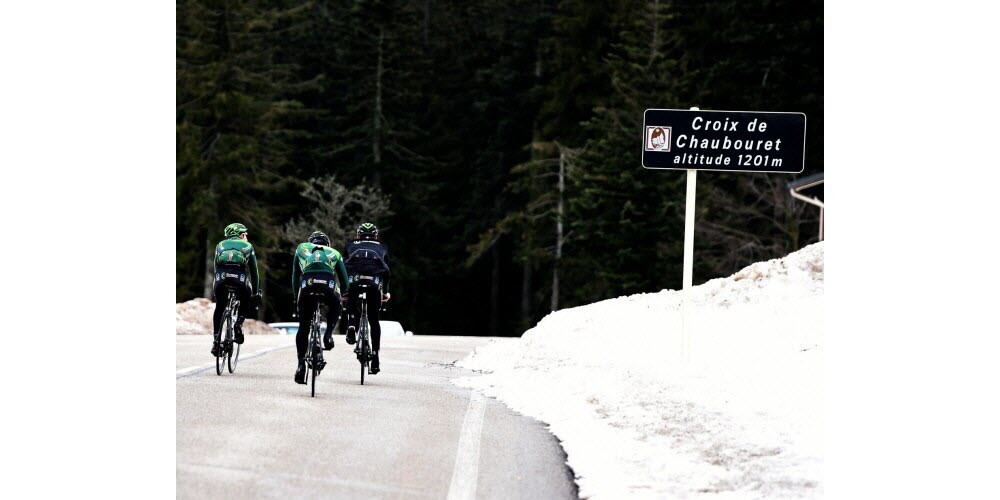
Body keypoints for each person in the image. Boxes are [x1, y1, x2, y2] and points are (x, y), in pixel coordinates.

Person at [292, 231, 349, 384]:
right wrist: (345, 295)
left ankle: (301, 364)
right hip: (328, 285)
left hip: (306, 285)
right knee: (336, 302)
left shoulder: (301, 249)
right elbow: (343, 280)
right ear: (327, 244)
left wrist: (295, 298)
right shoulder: (334, 253)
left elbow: (295, 276)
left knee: (303, 327)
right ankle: (328, 334)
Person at [342, 222, 391, 374]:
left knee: (351, 299)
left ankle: (351, 323)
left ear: (358, 235)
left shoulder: (350, 244)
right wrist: (385, 292)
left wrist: (344, 289)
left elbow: (343, 267)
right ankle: (375, 356)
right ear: (376, 235)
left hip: (355, 281)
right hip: (374, 283)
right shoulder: (382, 246)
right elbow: (386, 271)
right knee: (374, 320)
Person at [211, 223, 261, 357]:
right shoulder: (248, 246)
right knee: (246, 297)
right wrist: (256, 292)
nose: (246, 237)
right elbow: (254, 272)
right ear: (240, 234)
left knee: (220, 307)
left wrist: (216, 286)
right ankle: (239, 323)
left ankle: (216, 341)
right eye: (245, 234)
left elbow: (216, 266)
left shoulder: (220, 245)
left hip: (221, 278)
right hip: (239, 277)